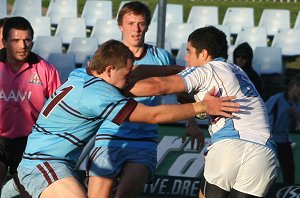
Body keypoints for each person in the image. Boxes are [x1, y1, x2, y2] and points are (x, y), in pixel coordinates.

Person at [17, 39, 239, 198]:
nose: (128, 81)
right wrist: (203, 107)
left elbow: (138, 72)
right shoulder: (99, 95)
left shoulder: (84, 74)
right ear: (110, 69)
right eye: (125, 75)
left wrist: (183, 70)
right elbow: (153, 115)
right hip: (42, 163)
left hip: (53, 162)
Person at [128, 26, 278, 198]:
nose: (185, 57)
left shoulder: (205, 70)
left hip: (230, 145)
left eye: (189, 51)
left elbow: (159, 86)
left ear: (204, 54)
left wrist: (117, 90)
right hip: (265, 152)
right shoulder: (238, 71)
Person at [85, 2, 179, 198]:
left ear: (147, 26)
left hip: (143, 140)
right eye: (131, 23)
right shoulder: (106, 56)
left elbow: (182, 88)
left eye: (141, 23)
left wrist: (194, 123)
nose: (136, 29)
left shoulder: (162, 57)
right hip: (108, 136)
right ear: (120, 26)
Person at [0, 16, 61, 197]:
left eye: (27, 40)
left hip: (31, 143)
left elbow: (58, 109)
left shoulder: (46, 69)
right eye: (16, 40)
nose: (23, 45)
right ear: (4, 42)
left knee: (31, 194)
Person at [265, 75, 300, 184]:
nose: (299, 89)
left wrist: (295, 118)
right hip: (270, 140)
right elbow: (262, 112)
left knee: (289, 171)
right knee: (266, 172)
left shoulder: (298, 104)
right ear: (291, 87)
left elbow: (295, 127)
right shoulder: (277, 98)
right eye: (298, 86)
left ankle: (287, 192)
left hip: (284, 141)